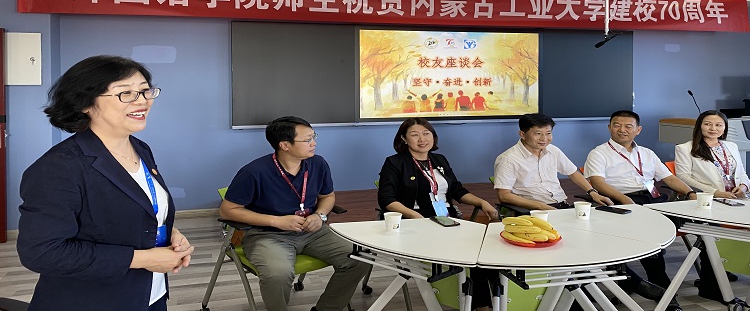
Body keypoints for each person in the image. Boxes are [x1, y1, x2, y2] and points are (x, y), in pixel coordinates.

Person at [17, 55, 193, 311]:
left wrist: (169, 232)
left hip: (149, 295)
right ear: (86, 103)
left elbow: (135, 211)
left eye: (145, 91)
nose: (142, 101)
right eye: (126, 93)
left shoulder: (140, 149)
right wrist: (143, 259)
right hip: (89, 301)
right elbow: (42, 252)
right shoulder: (59, 167)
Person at [220, 116, 367, 311]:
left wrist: (320, 215)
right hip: (267, 235)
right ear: (285, 145)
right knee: (277, 274)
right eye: (307, 139)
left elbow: (328, 196)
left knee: (360, 258)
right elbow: (227, 210)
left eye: (314, 137)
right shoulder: (254, 172)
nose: (314, 143)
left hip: (313, 231)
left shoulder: (318, 164)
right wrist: (276, 221)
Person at [378, 117, 498, 311]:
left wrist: (481, 202)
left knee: (486, 252)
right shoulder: (395, 163)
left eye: (426, 134)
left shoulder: (439, 160)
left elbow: (456, 190)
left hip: (448, 219)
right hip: (416, 221)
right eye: (414, 135)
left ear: (433, 137)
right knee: (471, 256)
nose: (422, 139)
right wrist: (415, 217)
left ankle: (495, 300)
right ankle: (482, 306)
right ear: (404, 139)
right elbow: (386, 199)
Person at [584, 110, 694, 311]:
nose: (622, 130)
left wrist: (690, 193)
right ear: (609, 128)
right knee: (649, 234)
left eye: (628, 126)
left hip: (651, 198)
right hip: (620, 201)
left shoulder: (647, 153)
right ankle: (661, 287)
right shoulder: (599, 153)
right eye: (617, 125)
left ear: (638, 130)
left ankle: (649, 284)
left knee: (692, 222)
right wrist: (624, 200)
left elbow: (669, 178)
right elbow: (597, 183)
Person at [674, 110, 750, 297]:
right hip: (708, 201)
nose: (713, 128)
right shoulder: (685, 148)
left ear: (724, 128)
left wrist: (743, 186)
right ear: (699, 126)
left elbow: (742, 173)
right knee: (718, 232)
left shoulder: (731, 146)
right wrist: (715, 192)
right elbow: (683, 177)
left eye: (718, 125)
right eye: (708, 124)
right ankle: (714, 281)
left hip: (736, 199)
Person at [494, 113, 613, 211]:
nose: (544, 139)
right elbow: (504, 195)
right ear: (522, 134)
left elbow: (573, 173)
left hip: (561, 206)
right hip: (532, 210)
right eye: (538, 134)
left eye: (548, 133)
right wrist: (540, 207)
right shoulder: (508, 159)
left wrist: (592, 192)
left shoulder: (552, 150)